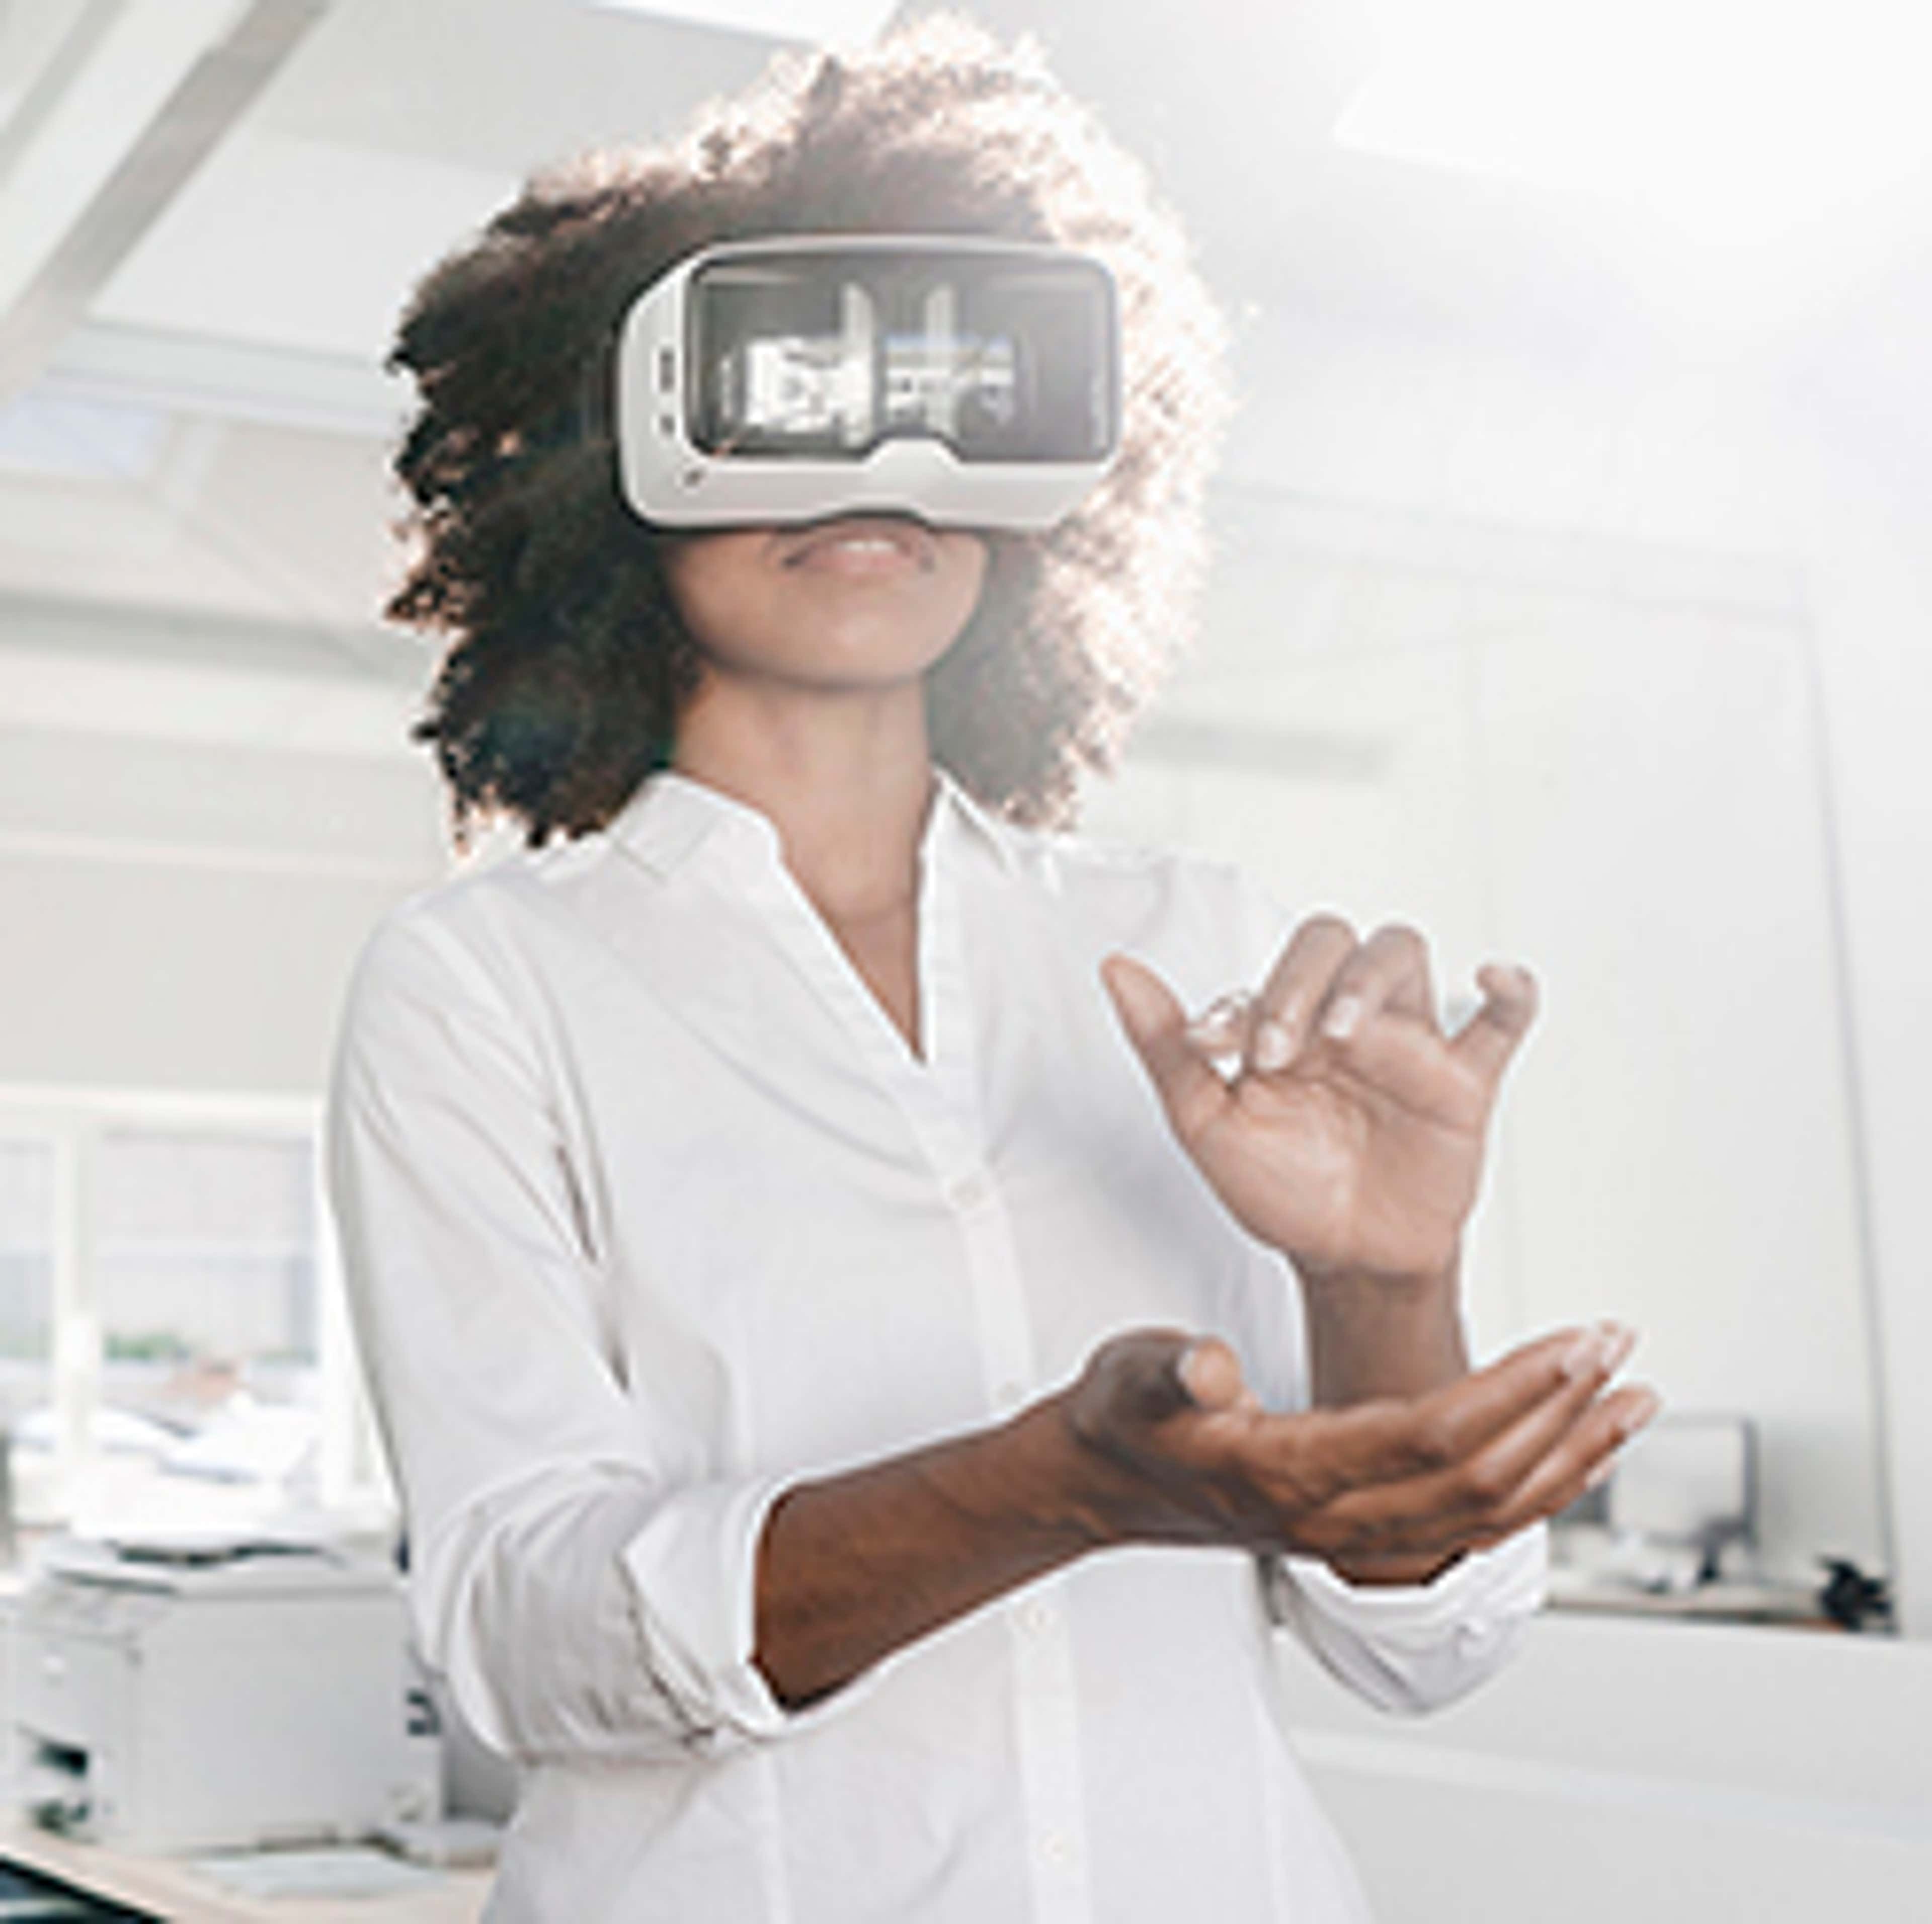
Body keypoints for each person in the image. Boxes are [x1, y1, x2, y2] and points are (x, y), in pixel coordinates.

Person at [328, 17, 1657, 1921]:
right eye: (794, 390)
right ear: (607, 458)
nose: (881, 456)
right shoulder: (487, 986)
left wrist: (1387, 1284)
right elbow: (528, 1637)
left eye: (953, 390)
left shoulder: (1194, 942)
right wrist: (1062, 1484)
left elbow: (1423, 1653)